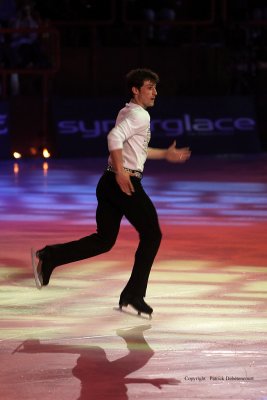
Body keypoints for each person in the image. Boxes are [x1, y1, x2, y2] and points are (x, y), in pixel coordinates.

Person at [31, 68, 191, 317]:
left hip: (108, 183)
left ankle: (50, 256)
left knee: (104, 241)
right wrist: (120, 172)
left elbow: (136, 149)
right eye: (149, 87)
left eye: (155, 88)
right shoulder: (140, 116)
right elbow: (114, 137)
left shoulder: (127, 111)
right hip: (122, 183)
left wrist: (164, 155)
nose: (155, 93)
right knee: (152, 235)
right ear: (135, 90)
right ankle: (134, 294)